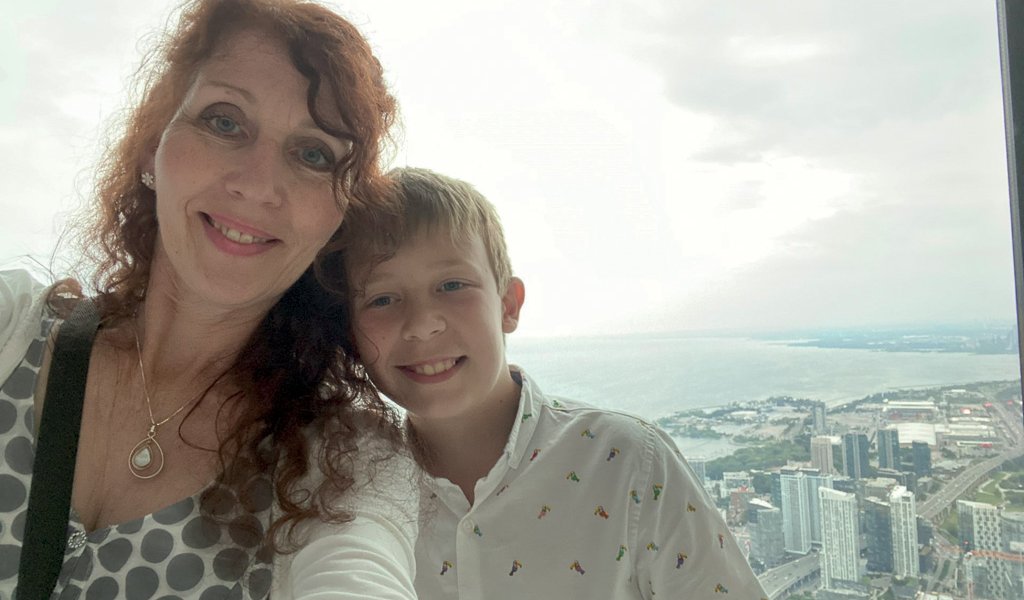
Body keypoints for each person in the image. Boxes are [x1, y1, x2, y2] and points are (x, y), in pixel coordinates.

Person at [0, 1, 419, 597]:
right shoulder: (10, 328)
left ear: (341, 216)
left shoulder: (346, 465)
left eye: (312, 154)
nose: (256, 184)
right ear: (153, 146)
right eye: (225, 122)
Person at [340, 167, 769, 599]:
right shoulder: (346, 484)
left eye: (452, 285)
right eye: (382, 299)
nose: (422, 324)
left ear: (508, 305)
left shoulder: (629, 462)